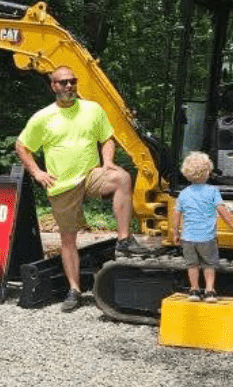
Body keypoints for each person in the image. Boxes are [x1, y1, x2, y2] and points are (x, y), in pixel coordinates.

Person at [15, 65, 151, 313]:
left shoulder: (92, 109)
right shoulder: (42, 117)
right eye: (63, 82)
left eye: (73, 81)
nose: (69, 86)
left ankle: (123, 239)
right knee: (68, 240)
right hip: (61, 184)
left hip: (90, 175)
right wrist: (36, 172)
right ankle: (74, 290)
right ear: (53, 86)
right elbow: (22, 146)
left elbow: (107, 137)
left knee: (121, 177)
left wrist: (108, 161)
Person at [171, 151, 233, 302]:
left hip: (188, 238)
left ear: (186, 173)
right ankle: (210, 291)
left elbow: (177, 215)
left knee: (192, 265)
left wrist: (175, 233)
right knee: (209, 264)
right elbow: (223, 211)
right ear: (208, 172)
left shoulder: (183, 194)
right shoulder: (212, 192)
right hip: (207, 238)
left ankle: (194, 290)